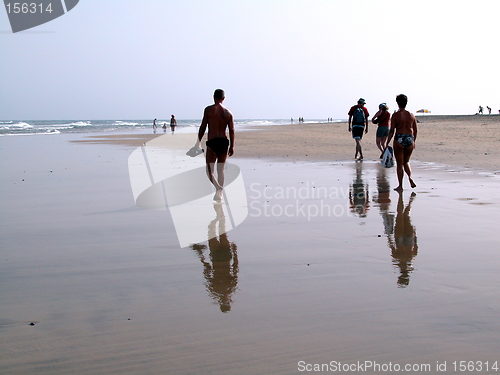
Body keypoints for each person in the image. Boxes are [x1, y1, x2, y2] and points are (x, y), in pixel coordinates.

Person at [195, 89, 235, 201]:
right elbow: (231, 130)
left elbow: (203, 127)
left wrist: (198, 142)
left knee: (209, 171)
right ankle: (220, 193)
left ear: (214, 97)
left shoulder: (208, 110)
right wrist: (232, 146)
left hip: (212, 142)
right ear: (223, 98)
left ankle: (218, 187)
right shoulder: (228, 113)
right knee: (220, 170)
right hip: (223, 143)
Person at [386, 94, 418, 191]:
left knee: (399, 164)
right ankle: (410, 177)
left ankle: (400, 186)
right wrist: (414, 141)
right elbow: (415, 130)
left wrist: (387, 142)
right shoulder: (411, 115)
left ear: (397, 103)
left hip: (399, 138)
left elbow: (392, 130)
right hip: (409, 138)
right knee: (406, 161)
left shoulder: (395, 115)